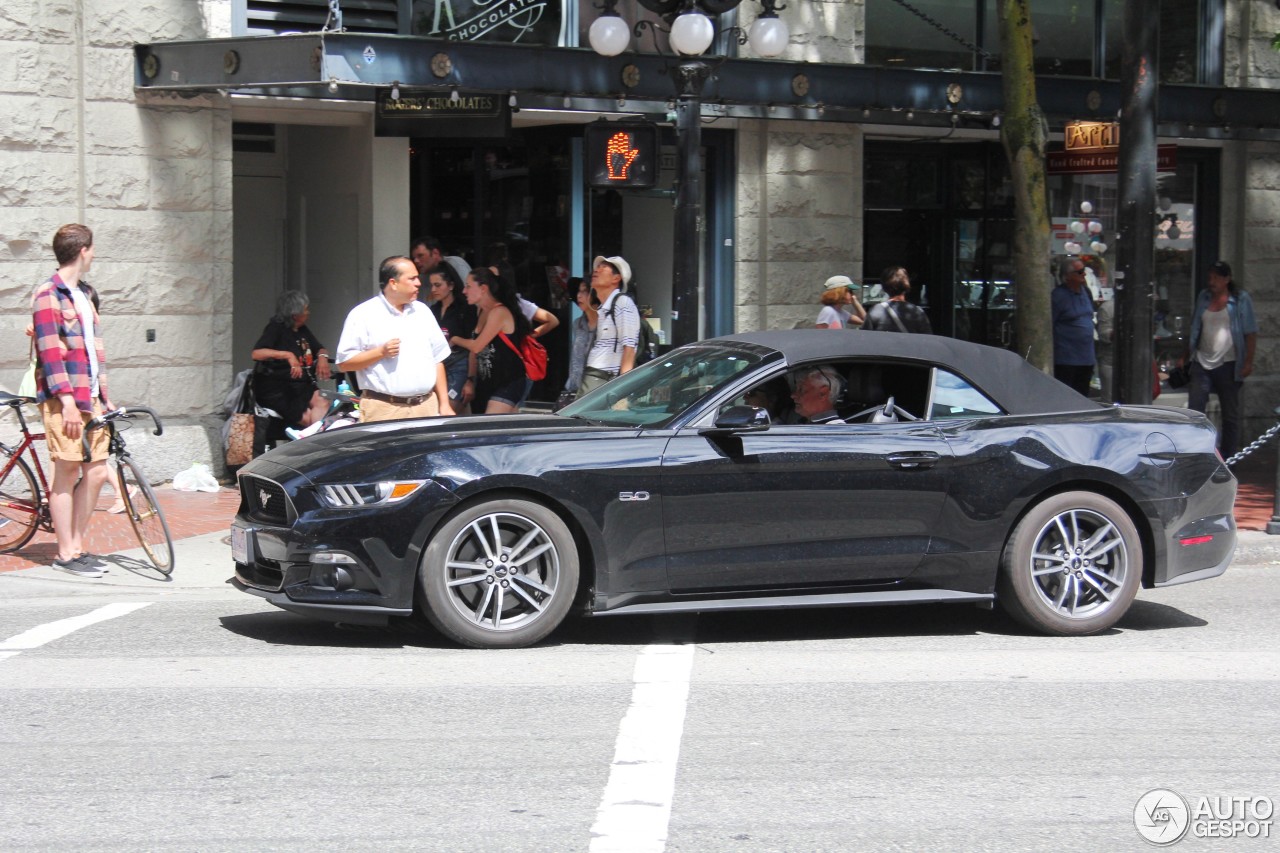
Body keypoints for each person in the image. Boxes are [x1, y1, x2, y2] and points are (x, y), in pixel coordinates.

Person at [31, 224, 113, 577]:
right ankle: (66, 553)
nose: (94, 255)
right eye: (92, 249)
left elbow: (95, 350)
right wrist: (66, 402)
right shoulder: (48, 295)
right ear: (83, 250)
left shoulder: (86, 293)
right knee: (65, 472)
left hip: (91, 397)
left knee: (95, 471)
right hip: (64, 400)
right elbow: (50, 354)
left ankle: (77, 545)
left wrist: (106, 396)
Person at [335, 256, 454, 423]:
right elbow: (344, 363)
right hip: (384, 409)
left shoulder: (423, 312)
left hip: (426, 407)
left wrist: (444, 404)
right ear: (393, 283)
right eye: (412, 278)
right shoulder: (363, 315)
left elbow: (437, 360)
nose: (418, 283)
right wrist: (380, 352)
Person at [1184, 260, 1258, 458]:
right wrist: (1186, 355)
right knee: (1196, 410)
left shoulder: (1240, 299)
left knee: (1230, 414)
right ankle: (1197, 453)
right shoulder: (1203, 297)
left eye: (1217, 277)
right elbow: (1195, 328)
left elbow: (1250, 333)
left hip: (1228, 363)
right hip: (1201, 360)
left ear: (1227, 279)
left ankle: (1228, 457)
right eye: (1210, 276)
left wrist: (1248, 362)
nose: (1212, 281)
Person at [450, 267, 530, 414]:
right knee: (505, 431)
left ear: (483, 288)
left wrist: (455, 339)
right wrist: (470, 379)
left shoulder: (499, 312)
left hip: (508, 381)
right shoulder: (481, 311)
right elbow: (474, 353)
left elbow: (476, 346)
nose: (464, 291)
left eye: (468, 286)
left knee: (489, 428)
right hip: (486, 383)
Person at [250, 290, 332, 429]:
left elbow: (320, 348)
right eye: (305, 309)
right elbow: (256, 353)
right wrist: (288, 355)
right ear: (295, 315)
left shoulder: (302, 329)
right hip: (280, 390)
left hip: (302, 386)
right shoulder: (276, 328)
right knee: (307, 419)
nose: (308, 312)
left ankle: (314, 437)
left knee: (323, 401)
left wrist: (323, 357)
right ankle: (313, 441)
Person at [579, 255, 640, 398]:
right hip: (596, 378)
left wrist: (623, 391)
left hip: (604, 380)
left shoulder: (623, 303)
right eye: (597, 267)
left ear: (616, 278)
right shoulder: (603, 308)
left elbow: (629, 349)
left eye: (603, 267)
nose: (597, 270)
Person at [428, 262, 478, 414]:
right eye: (432, 285)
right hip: (437, 365)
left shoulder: (466, 309)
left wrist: (471, 380)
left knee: (447, 413)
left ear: (450, 285)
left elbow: (475, 345)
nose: (433, 289)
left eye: (438, 285)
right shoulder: (432, 310)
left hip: (460, 364)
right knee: (437, 412)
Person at [1051, 258, 1096, 396]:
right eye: (1080, 272)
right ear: (1068, 276)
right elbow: (1050, 324)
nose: (1084, 274)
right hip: (1067, 358)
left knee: (1083, 394)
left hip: (1086, 357)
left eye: (1084, 271)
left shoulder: (1085, 292)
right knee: (1066, 395)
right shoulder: (1058, 296)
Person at [559, 277, 597, 406]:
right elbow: (576, 360)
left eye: (585, 292)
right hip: (574, 391)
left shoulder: (607, 323)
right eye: (578, 292)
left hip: (598, 391)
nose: (579, 296)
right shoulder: (578, 324)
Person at [863, 267, 933, 334]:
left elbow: (866, 338)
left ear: (884, 288)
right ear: (907, 287)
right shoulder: (917, 312)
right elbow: (928, 338)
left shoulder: (876, 311)